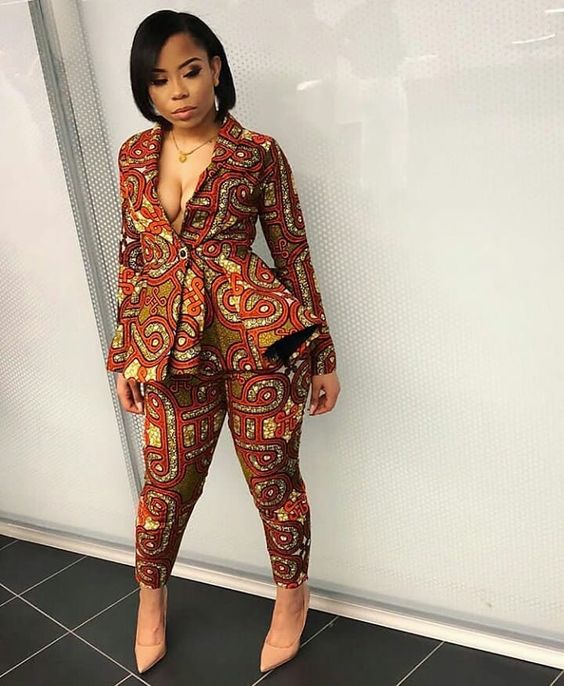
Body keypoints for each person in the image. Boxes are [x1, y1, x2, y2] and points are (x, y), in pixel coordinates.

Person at [105, 9, 340, 675]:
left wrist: (322, 354)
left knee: (274, 481)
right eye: (159, 80)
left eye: (189, 71)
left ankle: (291, 600)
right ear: (145, 89)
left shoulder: (258, 152)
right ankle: (150, 601)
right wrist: (124, 354)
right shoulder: (132, 156)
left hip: (262, 339)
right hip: (166, 346)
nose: (177, 91)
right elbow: (132, 258)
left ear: (215, 68)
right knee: (165, 486)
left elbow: (292, 253)